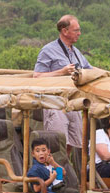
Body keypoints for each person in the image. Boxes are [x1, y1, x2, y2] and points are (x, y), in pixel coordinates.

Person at [33, 15, 93, 152]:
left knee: (73, 144)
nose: (79, 33)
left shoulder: (76, 52)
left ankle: (64, 171)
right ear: (65, 31)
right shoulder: (48, 50)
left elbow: (90, 70)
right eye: (76, 30)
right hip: (55, 103)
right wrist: (61, 72)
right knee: (57, 145)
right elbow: (36, 76)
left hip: (73, 103)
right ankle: (57, 173)